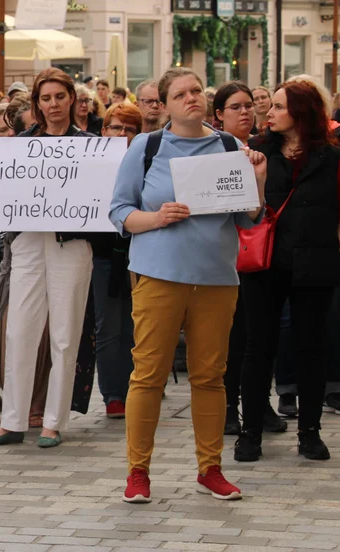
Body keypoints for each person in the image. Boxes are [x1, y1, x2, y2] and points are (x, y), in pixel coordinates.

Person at [110, 68, 267, 504]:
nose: (191, 98)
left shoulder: (229, 146)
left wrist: (258, 175)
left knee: (210, 376)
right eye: (180, 94)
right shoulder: (147, 146)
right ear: (165, 103)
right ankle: (138, 472)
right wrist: (157, 218)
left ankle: (210, 468)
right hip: (158, 274)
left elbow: (247, 216)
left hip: (216, 277)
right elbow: (119, 212)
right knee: (148, 374)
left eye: (196, 90)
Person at [234, 80, 340, 464]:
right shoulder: (257, 152)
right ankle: (249, 432)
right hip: (266, 264)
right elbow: (248, 212)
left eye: (279, 107)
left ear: (301, 112)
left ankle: (310, 432)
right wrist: (257, 179)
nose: (268, 112)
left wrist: (331, 251)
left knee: (310, 348)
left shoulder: (332, 157)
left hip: (314, 266)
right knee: (260, 348)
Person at [0, 69, 94, 451]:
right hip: (26, 241)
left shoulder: (90, 145)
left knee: (64, 334)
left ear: (72, 99)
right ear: (36, 104)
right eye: (46, 98)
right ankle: (12, 420)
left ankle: (52, 422)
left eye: (60, 96)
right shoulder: (21, 145)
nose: (54, 104)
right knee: (18, 331)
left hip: (72, 242)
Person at [210, 82, 287, 436]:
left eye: (249, 106)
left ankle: (260, 403)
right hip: (222, 254)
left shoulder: (264, 149)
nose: (245, 112)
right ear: (219, 115)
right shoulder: (210, 152)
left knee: (259, 333)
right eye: (235, 107)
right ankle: (227, 407)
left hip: (259, 254)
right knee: (230, 336)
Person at [90, 103, 142, 419]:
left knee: (138, 326)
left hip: (141, 252)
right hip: (103, 254)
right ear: (104, 130)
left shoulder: (147, 163)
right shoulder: (92, 162)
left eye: (129, 129)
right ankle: (113, 394)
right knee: (109, 326)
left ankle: (138, 388)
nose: (122, 134)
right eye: (116, 127)